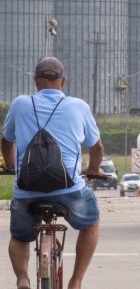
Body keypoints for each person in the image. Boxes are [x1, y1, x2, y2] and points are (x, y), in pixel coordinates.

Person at [1, 57, 103, 289]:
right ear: (63, 81)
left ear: (35, 81)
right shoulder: (79, 106)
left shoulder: (20, 104)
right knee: (91, 223)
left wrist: (9, 165)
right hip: (69, 189)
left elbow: (6, 142)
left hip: (28, 189)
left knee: (19, 235)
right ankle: (75, 282)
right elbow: (96, 148)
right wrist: (93, 169)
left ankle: (22, 279)